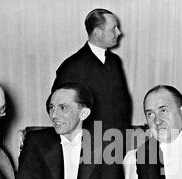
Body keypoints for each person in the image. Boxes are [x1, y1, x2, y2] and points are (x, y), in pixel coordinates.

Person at [51, 8, 132, 137]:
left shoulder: (115, 61)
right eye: (113, 28)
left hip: (118, 142)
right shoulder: (71, 66)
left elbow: (123, 104)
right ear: (97, 33)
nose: (119, 32)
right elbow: (55, 106)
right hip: (89, 144)